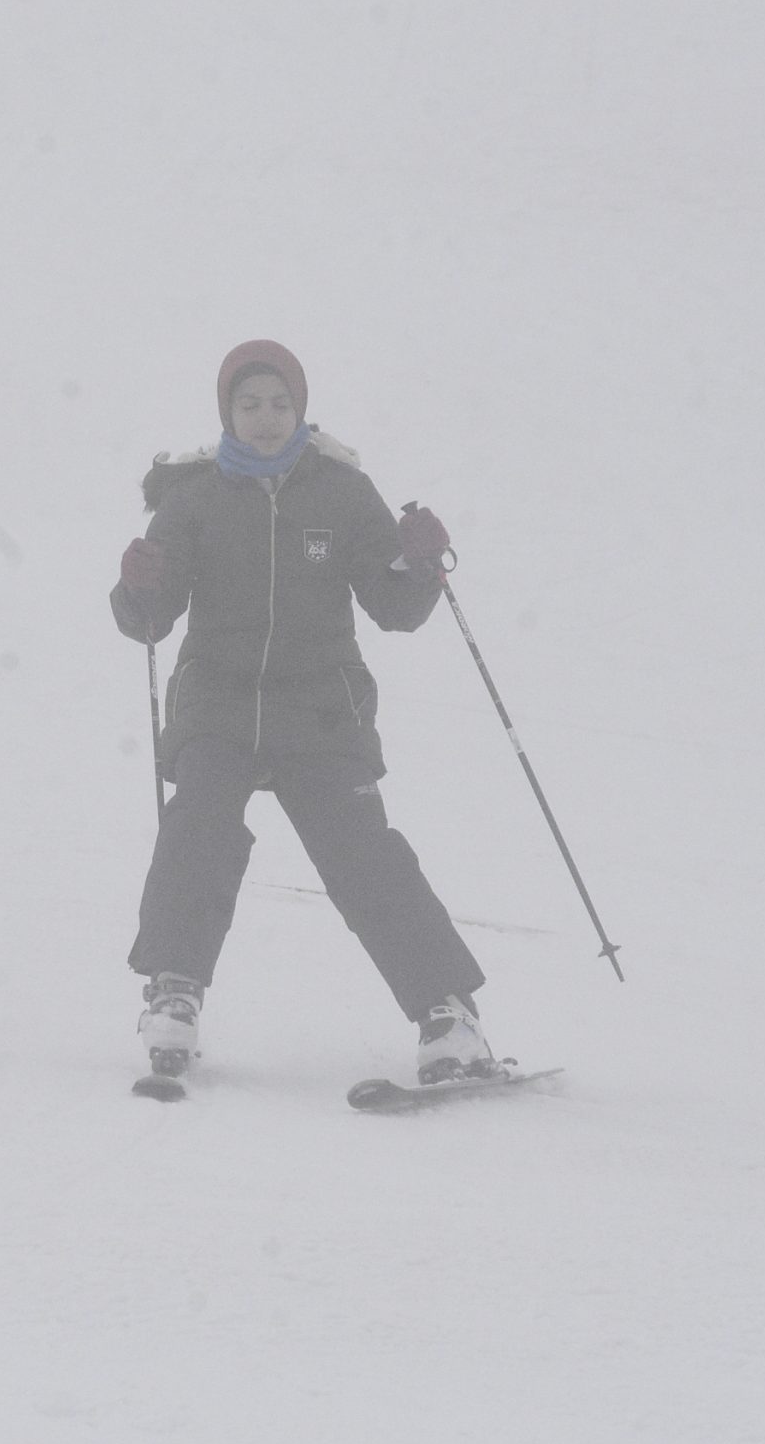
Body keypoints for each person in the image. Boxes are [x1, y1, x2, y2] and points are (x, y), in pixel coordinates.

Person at [110, 339, 497, 1086]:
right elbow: (151, 621)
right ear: (227, 411)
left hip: (320, 710)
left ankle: (447, 1015)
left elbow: (393, 606)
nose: (264, 419)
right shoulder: (191, 496)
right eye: (249, 405)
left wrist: (418, 565)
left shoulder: (343, 493)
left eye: (278, 404)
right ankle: (173, 993)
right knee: (198, 827)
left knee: (364, 853)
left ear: (301, 409)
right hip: (219, 706)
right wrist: (139, 587)